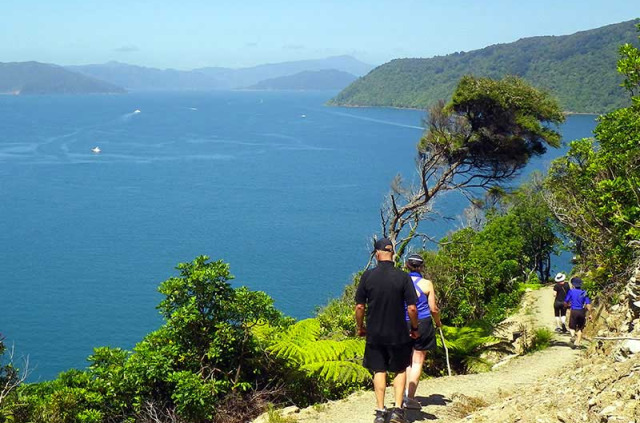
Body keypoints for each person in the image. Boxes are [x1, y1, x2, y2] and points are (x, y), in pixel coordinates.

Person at [355, 238, 419, 423]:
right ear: (393, 254)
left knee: (379, 370)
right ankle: (398, 411)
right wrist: (414, 328)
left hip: (375, 333)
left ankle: (381, 411)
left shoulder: (368, 276)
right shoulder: (403, 276)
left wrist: (360, 328)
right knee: (400, 370)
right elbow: (412, 308)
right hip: (398, 333)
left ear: (377, 254)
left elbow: (360, 307)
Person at [402, 254, 442, 410]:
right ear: (421, 267)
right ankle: (410, 398)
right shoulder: (427, 284)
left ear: (406, 265)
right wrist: (438, 323)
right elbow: (433, 309)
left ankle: (404, 394)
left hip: (403, 323)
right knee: (417, 360)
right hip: (423, 323)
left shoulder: (401, 281)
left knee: (406, 361)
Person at [564, 277, 593, 349]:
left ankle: (573, 336)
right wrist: (590, 314)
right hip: (581, 311)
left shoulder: (571, 291)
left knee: (571, 327)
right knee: (580, 328)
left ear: (573, 285)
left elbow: (566, 301)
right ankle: (578, 343)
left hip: (574, 311)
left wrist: (566, 306)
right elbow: (588, 304)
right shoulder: (584, 292)